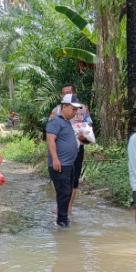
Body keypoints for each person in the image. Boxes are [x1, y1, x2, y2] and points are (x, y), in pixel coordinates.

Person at [49, 84, 93, 216]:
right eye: (63, 93)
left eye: (68, 92)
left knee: (74, 178)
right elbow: (50, 133)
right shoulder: (56, 110)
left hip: (77, 149)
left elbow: (89, 129)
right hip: (61, 151)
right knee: (61, 178)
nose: (65, 95)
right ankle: (61, 206)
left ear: (75, 93)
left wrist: (84, 136)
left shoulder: (83, 109)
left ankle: (69, 207)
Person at [46, 94, 84, 228]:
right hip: (60, 165)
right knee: (63, 193)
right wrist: (55, 159)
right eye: (73, 109)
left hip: (69, 164)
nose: (75, 112)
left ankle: (63, 219)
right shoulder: (55, 121)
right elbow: (50, 139)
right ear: (64, 106)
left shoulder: (66, 122)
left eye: (76, 110)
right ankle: (62, 222)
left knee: (67, 192)